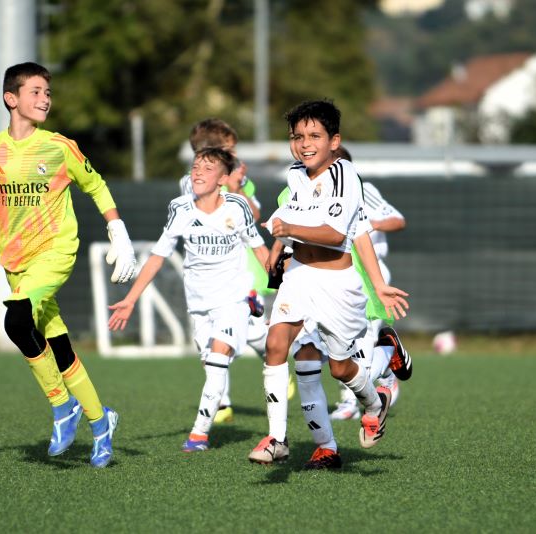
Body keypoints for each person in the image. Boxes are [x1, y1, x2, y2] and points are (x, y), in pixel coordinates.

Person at [0, 62, 135, 467]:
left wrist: (118, 232)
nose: (45, 99)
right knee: (58, 345)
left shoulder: (59, 147)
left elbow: (96, 185)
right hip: (15, 261)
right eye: (35, 92)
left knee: (16, 322)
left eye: (47, 93)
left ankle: (62, 406)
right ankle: (100, 422)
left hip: (55, 251)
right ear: (10, 98)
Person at [248, 99, 410, 465]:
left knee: (340, 369)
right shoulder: (295, 173)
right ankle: (277, 438)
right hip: (299, 276)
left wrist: (378, 284)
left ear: (334, 141)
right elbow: (349, 226)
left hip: (337, 286)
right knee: (277, 344)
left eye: (314, 136)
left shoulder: (345, 175)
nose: (304, 144)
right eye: (297, 137)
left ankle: (375, 403)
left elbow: (339, 234)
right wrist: (280, 247)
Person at [108, 147, 269, 452]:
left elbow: (260, 251)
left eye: (207, 168)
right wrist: (130, 299)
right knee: (212, 365)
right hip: (198, 305)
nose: (198, 173)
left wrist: (284, 287)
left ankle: (198, 435)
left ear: (222, 179)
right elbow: (158, 256)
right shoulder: (180, 208)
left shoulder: (237, 207)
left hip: (232, 298)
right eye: (195, 167)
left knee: (218, 363)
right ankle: (266, 337)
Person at [177, 118, 293, 424]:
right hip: (205, 281)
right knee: (208, 344)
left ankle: (276, 363)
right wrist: (224, 184)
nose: (236, 155)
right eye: (230, 149)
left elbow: (253, 214)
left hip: (239, 274)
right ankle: (222, 403)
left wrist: (236, 186)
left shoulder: (240, 179)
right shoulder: (190, 182)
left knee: (251, 331)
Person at [328, 146, 410, 421]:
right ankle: (385, 366)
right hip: (336, 275)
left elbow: (397, 220)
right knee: (335, 341)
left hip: (370, 273)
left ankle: (350, 401)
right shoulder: (317, 192)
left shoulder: (364, 189)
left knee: (360, 342)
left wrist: (366, 224)